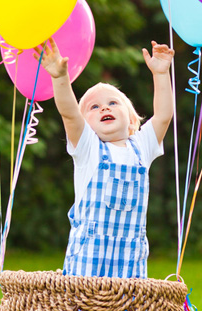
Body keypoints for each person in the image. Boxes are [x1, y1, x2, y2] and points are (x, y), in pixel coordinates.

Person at [33, 38, 174, 278]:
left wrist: (161, 74)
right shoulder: (88, 147)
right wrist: (59, 78)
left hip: (130, 261)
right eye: (94, 107)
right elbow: (69, 112)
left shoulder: (141, 146)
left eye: (112, 103)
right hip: (88, 261)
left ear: (131, 121)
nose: (104, 109)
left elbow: (162, 117)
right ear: (84, 125)